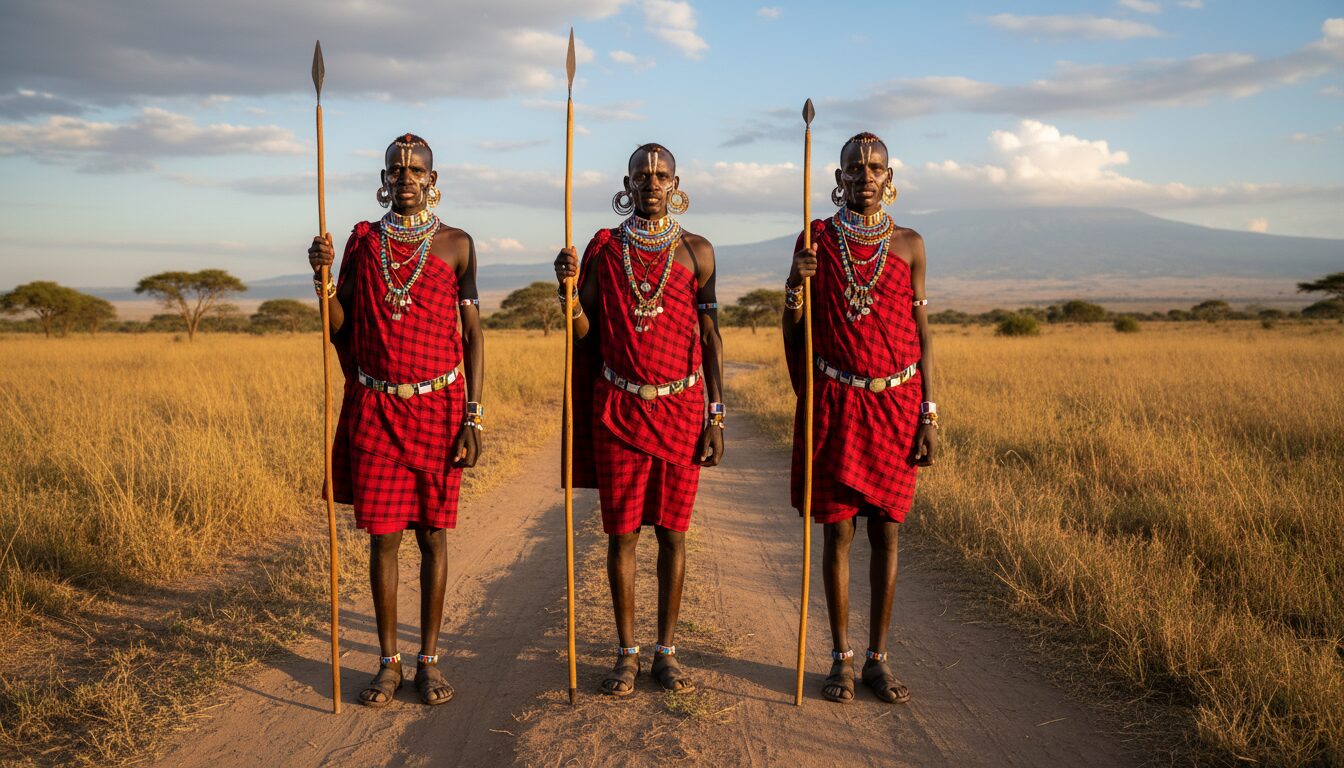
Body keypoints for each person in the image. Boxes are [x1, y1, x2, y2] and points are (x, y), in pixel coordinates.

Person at [306, 133, 484, 707]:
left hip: (439, 408)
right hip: (376, 408)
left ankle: (429, 662)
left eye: (417, 170)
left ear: (434, 179)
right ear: (384, 178)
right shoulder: (362, 243)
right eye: (396, 169)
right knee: (383, 539)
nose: (406, 177)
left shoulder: (457, 244)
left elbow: (474, 336)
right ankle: (388, 663)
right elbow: (339, 326)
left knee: (432, 536)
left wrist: (473, 418)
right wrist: (324, 280)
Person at [554, 143, 724, 696]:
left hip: (680, 409)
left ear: (677, 185)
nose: (651, 184)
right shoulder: (603, 252)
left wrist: (715, 414)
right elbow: (586, 337)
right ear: (625, 184)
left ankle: (666, 652)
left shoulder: (698, 252)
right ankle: (626, 653)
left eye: (661, 176)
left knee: (673, 534)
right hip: (619, 409)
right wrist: (570, 298)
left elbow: (710, 336)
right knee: (622, 534)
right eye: (641, 176)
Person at [783, 132, 938, 704]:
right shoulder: (816, 239)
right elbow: (793, 326)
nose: (865, 176)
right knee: (839, 531)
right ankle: (841, 659)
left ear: (889, 175)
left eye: (875, 167)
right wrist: (797, 286)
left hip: (897, 406)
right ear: (839, 176)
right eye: (855, 168)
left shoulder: (911, 244)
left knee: (887, 532)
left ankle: (878, 659)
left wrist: (929, 412)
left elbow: (922, 335)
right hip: (837, 403)